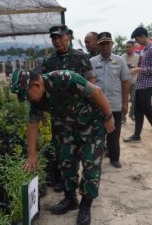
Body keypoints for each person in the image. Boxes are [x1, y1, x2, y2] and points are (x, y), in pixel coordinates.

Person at [10, 69, 114, 225]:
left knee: (90, 165)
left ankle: (85, 205)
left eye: (27, 95)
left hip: (93, 125)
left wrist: (108, 116)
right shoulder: (36, 99)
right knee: (66, 161)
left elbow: (97, 92)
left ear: (37, 85)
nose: (28, 100)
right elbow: (32, 124)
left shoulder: (65, 78)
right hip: (70, 127)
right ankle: (71, 199)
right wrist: (32, 155)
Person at [42, 24, 96, 192]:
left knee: (85, 155)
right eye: (54, 38)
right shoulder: (48, 62)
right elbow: (44, 88)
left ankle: (85, 191)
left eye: (60, 37)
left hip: (81, 116)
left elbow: (91, 83)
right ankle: (67, 189)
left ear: (69, 37)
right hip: (59, 118)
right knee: (62, 154)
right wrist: (44, 112)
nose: (57, 41)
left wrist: (92, 110)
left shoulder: (81, 58)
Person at [123, 27, 152, 149]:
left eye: (137, 39)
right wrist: (136, 67)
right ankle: (136, 135)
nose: (137, 42)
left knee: (148, 111)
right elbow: (148, 66)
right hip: (141, 83)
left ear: (143, 36)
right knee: (138, 110)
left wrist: (138, 69)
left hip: (148, 85)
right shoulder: (146, 49)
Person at [91, 32, 131, 168]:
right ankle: (96, 157)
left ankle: (114, 158)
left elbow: (126, 81)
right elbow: (89, 83)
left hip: (115, 105)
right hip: (97, 105)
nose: (105, 46)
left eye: (107, 43)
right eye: (102, 43)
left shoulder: (120, 61)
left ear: (112, 44)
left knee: (114, 133)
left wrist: (125, 102)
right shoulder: (92, 62)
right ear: (98, 45)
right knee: (97, 133)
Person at [121, 40, 140, 121]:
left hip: (134, 82)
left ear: (133, 47)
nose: (127, 49)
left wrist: (134, 68)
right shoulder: (121, 57)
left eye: (129, 47)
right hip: (124, 82)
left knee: (134, 100)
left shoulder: (138, 57)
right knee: (122, 101)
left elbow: (140, 68)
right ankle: (122, 117)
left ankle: (132, 114)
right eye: (126, 47)